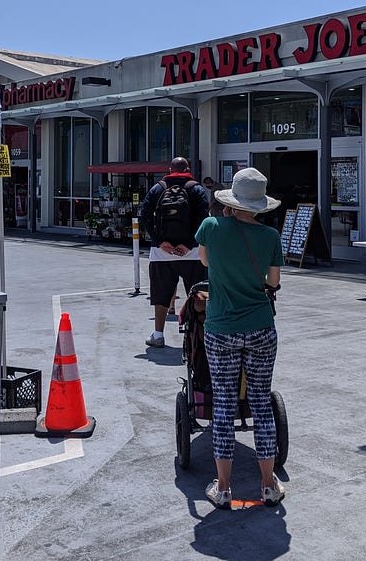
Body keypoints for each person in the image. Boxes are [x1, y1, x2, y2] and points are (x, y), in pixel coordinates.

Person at [194, 167, 285, 509]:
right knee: (261, 403)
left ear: (232, 200)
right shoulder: (270, 237)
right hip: (261, 327)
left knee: (224, 405)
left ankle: (224, 487)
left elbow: (205, 260)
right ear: (260, 205)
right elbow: (273, 282)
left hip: (221, 328)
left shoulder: (211, 227)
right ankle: (267, 485)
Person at [138, 156, 210, 348]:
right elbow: (204, 219)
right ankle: (199, 335)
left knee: (161, 295)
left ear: (170, 170)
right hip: (193, 253)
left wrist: (159, 241)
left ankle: (158, 335)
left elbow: (144, 214)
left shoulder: (158, 188)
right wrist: (188, 243)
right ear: (188, 169)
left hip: (162, 254)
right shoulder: (196, 189)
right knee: (198, 294)